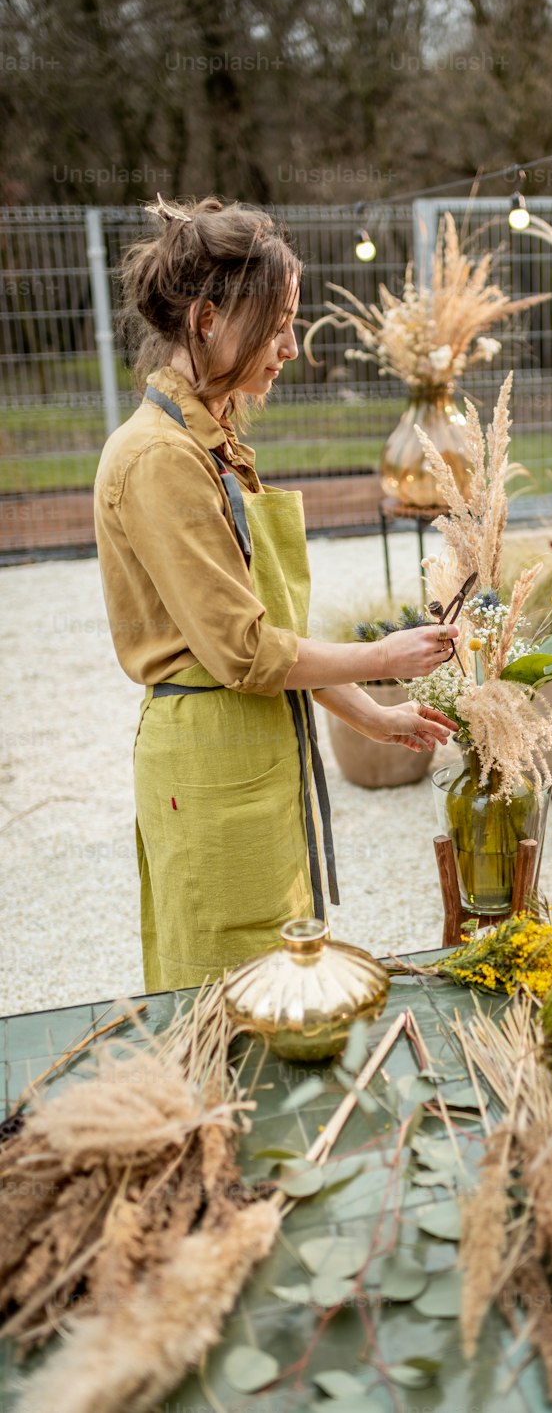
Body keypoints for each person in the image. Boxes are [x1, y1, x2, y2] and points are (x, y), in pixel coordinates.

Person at [94, 194, 457, 992]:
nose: (291, 349)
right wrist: (384, 656)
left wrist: (376, 715)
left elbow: (272, 632)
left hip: (257, 749)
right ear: (207, 319)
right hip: (211, 760)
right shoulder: (158, 458)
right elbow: (245, 651)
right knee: (222, 995)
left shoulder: (217, 442)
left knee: (283, 987)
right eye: (278, 324)